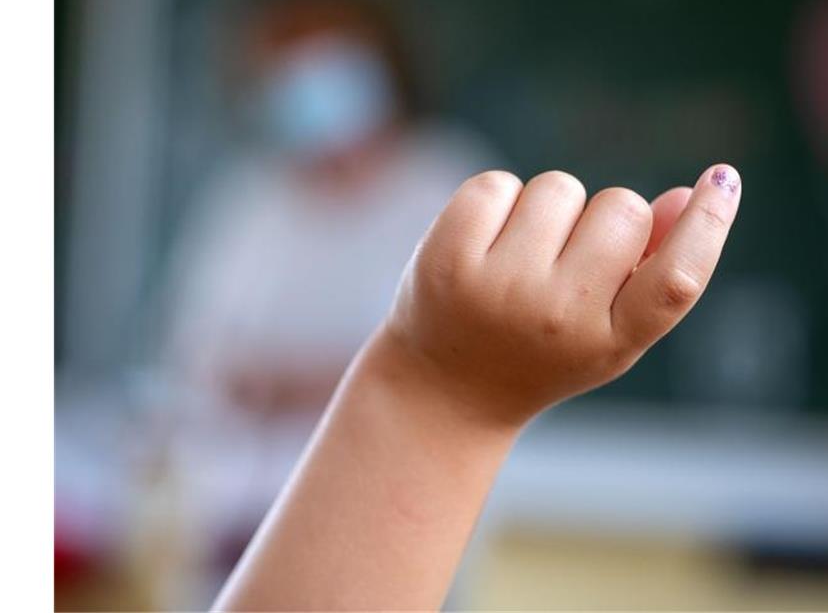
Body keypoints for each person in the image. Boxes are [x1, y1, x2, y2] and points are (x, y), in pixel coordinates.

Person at [212, 162, 742, 611]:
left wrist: (444, 385)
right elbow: (207, 353)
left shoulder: (434, 175)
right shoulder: (253, 202)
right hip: (227, 510)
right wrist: (445, 392)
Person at [158, 0, 496, 585]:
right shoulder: (247, 202)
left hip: (402, 540)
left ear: (379, 66)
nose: (306, 86)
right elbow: (194, 356)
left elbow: (481, 359)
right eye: (285, 69)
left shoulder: (450, 186)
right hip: (238, 537)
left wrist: (308, 382)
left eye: (326, 62)